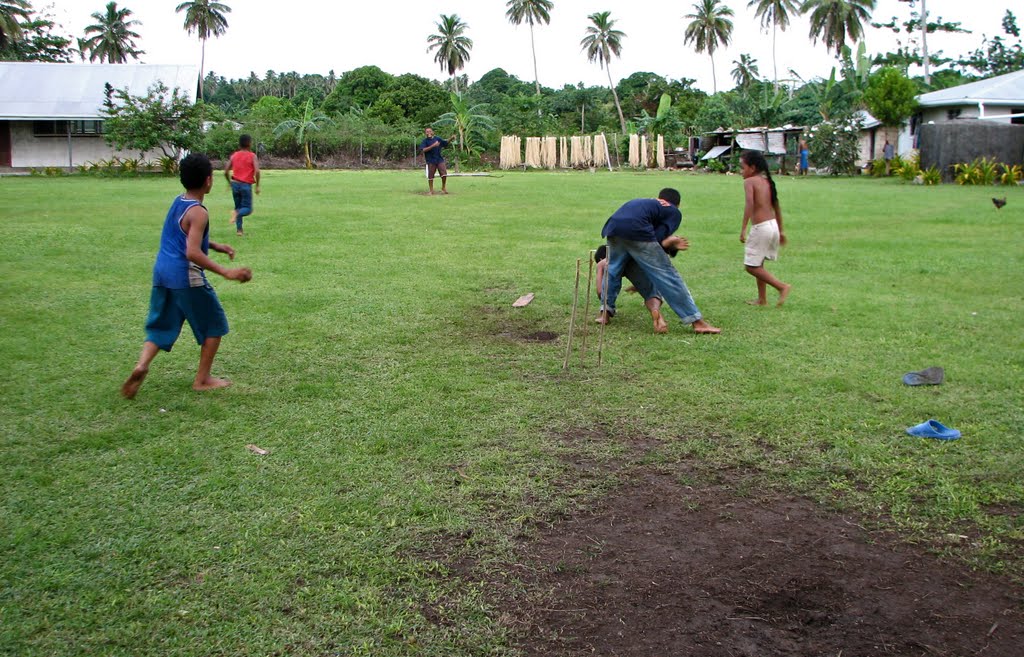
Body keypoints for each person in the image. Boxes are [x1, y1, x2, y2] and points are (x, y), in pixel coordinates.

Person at [121, 153, 253, 399]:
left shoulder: (179, 202)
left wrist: (215, 245)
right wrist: (226, 272)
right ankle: (202, 379)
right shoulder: (199, 212)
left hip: (162, 274)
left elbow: (184, 234)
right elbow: (191, 252)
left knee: (161, 323)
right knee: (214, 325)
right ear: (208, 180)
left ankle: (141, 365)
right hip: (185, 277)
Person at [598, 188, 720, 334]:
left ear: (660, 198)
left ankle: (604, 313)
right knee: (667, 275)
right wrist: (671, 245)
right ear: (677, 204)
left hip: (613, 228)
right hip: (637, 230)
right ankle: (697, 321)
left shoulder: (648, 203)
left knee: (612, 270)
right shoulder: (674, 211)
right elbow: (658, 239)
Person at [739, 150, 790, 307]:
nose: (741, 171)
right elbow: (777, 207)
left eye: (742, 167)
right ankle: (762, 299)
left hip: (761, 227)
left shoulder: (749, 182)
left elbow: (749, 204)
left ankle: (782, 287)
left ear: (752, 168)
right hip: (772, 225)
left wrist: (743, 228)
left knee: (751, 266)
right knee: (759, 263)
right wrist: (780, 230)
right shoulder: (767, 181)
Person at [594, 244, 670, 334]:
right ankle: (656, 312)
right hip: (637, 259)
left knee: (608, 282)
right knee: (651, 292)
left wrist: (603, 300)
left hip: (614, 259)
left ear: (600, 258)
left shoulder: (603, 262)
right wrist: (638, 286)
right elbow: (645, 277)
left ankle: (604, 316)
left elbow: (600, 291)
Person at [224, 134, 260, 236]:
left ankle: (239, 231)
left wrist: (229, 183)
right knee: (248, 209)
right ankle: (236, 214)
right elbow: (257, 171)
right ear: (249, 143)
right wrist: (257, 185)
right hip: (245, 185)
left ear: (239, 144)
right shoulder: (252, 156)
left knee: (238, 206)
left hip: (235, 184)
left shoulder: (234, 156)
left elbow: (226, 171)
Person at [420, 127, 455, 195]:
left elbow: (445, 143)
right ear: (425, 133)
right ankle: (431, 190)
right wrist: (433, 145)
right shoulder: (425, 141)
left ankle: (443, 188)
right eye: (427, 131)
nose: (429, 132)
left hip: (439, 159)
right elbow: (423, 150)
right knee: (431, 176)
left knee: (444, 174)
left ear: (432, 132)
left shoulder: (437, 138)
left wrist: (451, 138)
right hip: (430, 160)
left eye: (430, 131)